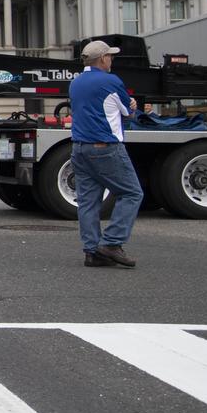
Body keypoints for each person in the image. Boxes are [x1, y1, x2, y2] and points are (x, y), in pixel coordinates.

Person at [69, 40, 142, 268]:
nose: (112, 59)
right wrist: (132, 105)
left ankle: (92, 252)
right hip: (105, 146)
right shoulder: (111, 81)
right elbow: (128, 113)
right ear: (102, 59)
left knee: (88, 202)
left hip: (79, 147)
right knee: (131, 193)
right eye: (110, 56)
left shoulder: (75, 82)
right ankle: (111, 243)